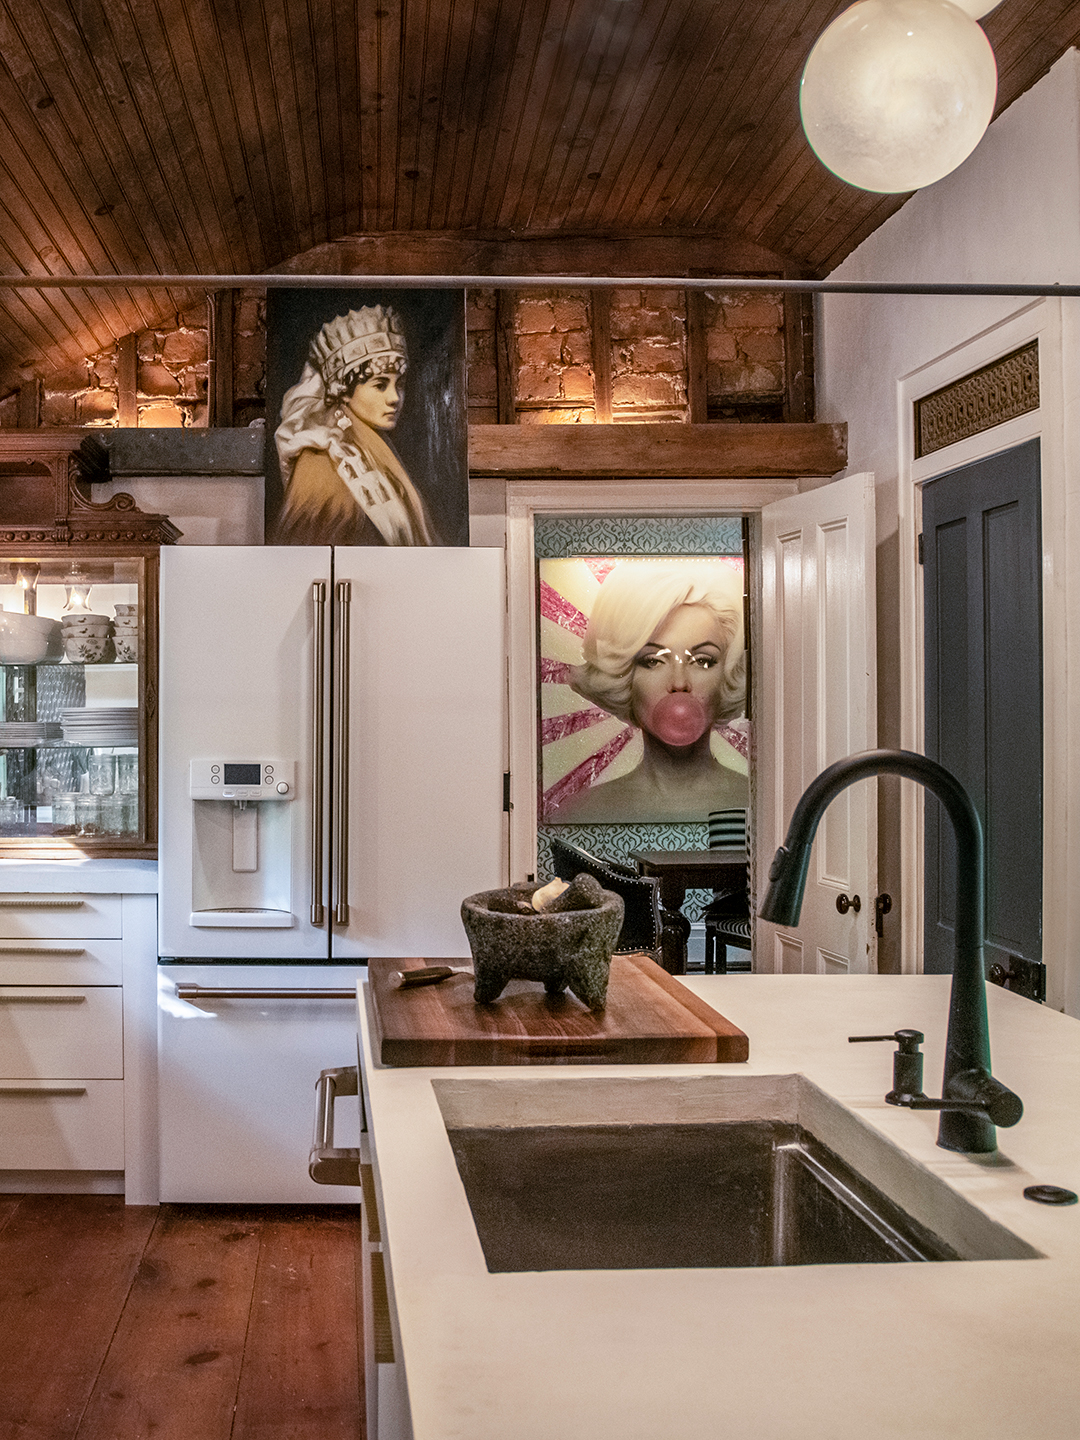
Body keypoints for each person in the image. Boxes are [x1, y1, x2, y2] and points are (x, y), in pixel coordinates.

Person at [550, 559, 748, 822]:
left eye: (703, 660)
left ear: (728, 675)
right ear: (623, 677)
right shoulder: (576, 814)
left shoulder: (760, 807)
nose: (679, 682)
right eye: (653, 661)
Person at [271, 304, 439, 546]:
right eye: (380, 385)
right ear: (345, 392)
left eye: (398, 384)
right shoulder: (319, 461)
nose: (394, 398)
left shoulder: (375, 449)